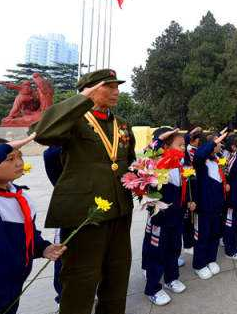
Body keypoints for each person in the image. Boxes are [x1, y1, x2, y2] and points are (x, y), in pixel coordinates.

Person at [32, 69, 136, 314]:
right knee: (81, 281)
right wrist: (83, 100)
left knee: (117, 277)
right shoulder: (74, 120)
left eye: (117, 86)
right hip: (85, 215)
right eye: (108, 86)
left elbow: (129, 162)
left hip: (120, 211)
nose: (116, 91)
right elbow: (43, 133)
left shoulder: (121, 124)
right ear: (89, 89)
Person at [0, 135, 66, 314]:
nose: (19, 162)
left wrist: (43, 248)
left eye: (20, 156)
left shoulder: (21, 198)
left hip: (14, 282)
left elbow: (29, 234)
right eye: (9, 159)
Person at [142, 128, 190, 306]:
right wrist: (157, 141)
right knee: (157, 253)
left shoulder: (179, 164)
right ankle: (153, 288)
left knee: (174, 247)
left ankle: (171, 278)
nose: (183, 148)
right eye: (180, 145)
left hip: (176, 216)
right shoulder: (158, 164)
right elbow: (148, 159)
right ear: (166, 146)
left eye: (184, 144)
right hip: (160, 218)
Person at [191, 131, 228, 280]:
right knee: (202, 236)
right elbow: (200, 155)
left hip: (217, 205)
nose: (220, 146)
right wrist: (213, 142)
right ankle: (199, 265)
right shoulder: (200, 162)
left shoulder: (217, 159)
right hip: (204, 207)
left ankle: (211, 259)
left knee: (214, 233)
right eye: (218, 143)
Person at [42, 145, 64, 304]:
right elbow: (50, 155)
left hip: (102, 207)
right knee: (64, 254)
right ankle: (63, 296)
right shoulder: (56, 151)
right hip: (70, 208)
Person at [182, 127, 203, 255]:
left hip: (194, 185)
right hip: (188, 187)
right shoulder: (189, 151)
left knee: (193, 217)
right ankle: (188, 244)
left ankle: (192, 240)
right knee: (188, 219)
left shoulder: (192, 151)